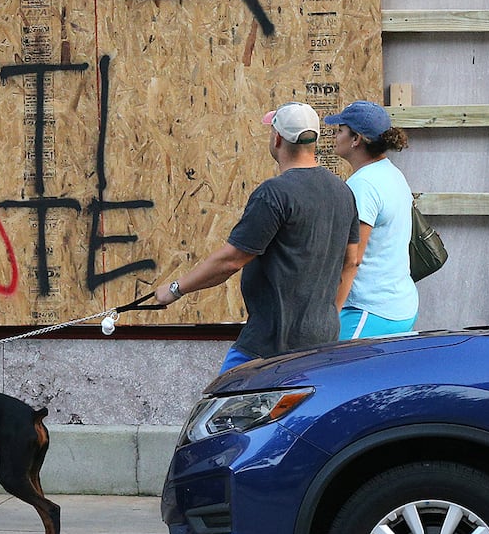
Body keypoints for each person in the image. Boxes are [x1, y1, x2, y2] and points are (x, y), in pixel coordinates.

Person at [154, 101, 360, 373]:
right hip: (321, 341)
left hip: (269, 344)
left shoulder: (275, 194)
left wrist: (175, 289)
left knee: (224, 409)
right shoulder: (342, 191)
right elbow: (351, 261)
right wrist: (329, 314)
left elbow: (231, 261)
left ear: (277, 139)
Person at [326, 100, 419, 338]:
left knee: (333, 372)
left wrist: (331, 314)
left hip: (369, 311)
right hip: (400, 306)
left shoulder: (363, 185)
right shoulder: (393, 173)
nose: (335, 137)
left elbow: (353, 259)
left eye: (340, 131)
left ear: (356, 139)